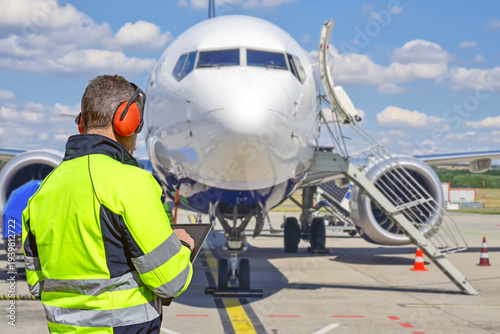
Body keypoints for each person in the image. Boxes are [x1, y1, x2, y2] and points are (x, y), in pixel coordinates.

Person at [22, 75, 194, 333]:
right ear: (127, 121)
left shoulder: (44, 191)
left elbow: (37, 285)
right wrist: (182, 246)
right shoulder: (131, 183)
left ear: (82, 123)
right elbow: (171, 281)